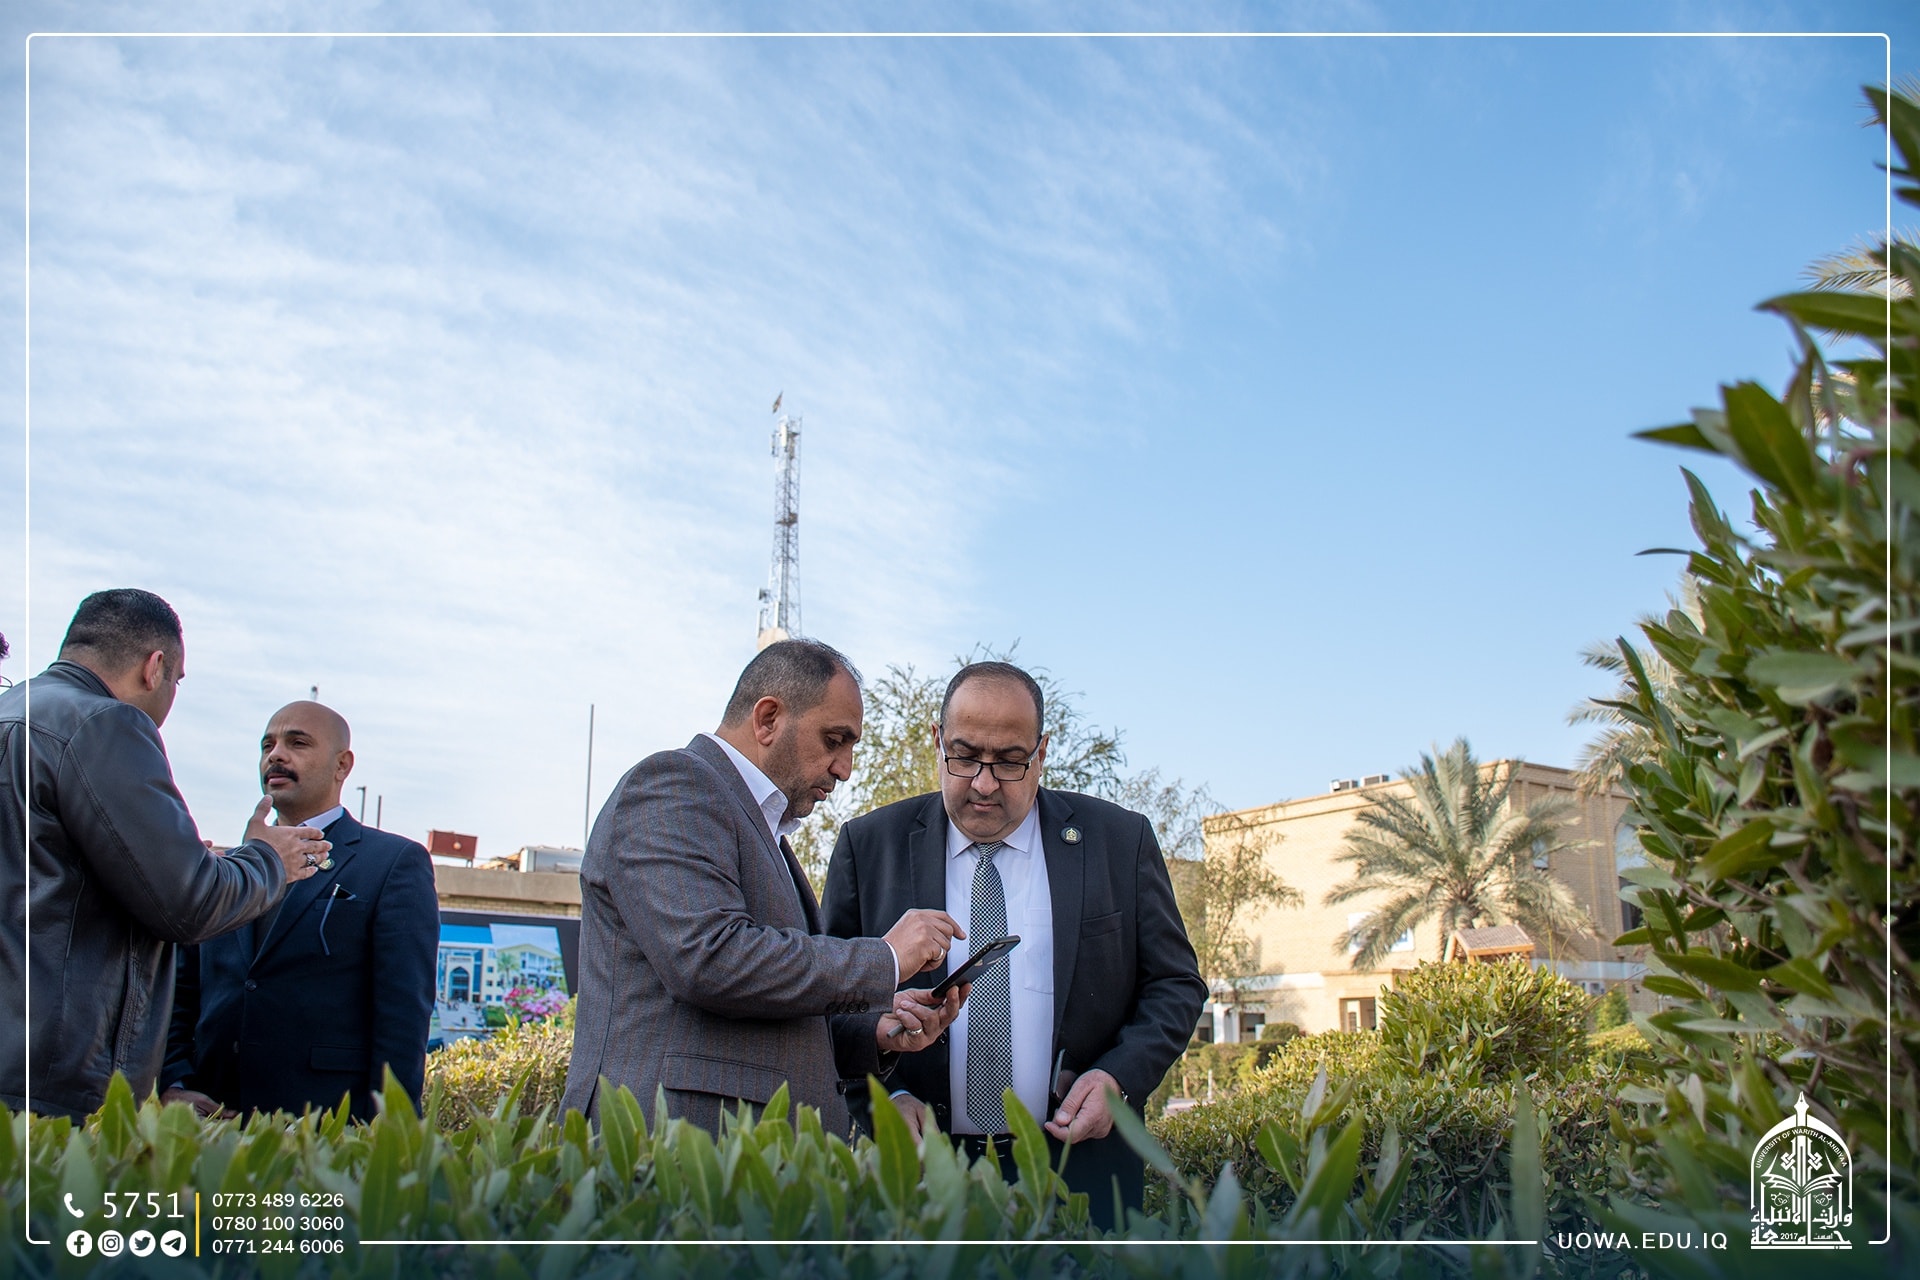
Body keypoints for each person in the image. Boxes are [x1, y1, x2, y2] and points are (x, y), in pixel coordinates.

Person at [823, 660, 1207, 1229]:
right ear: (937, 741)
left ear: (1042, 752)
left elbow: (1176, 985)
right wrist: (885, 1098)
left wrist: (1119, 1079)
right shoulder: (868, 846)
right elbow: (829, 1005)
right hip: (921, 1175)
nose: (983, 783)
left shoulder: (1119, 841)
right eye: (964, 756)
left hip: (1081, 1171)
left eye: (1008, 762)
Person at [561, 638, 967, 1136]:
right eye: (834, 740)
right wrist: (885, 959)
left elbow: (769, 1006)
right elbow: (710, 959)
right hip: (673, 1151)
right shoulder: (672, 784)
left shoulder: (758, 827)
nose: (845, 768)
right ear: (768, 718)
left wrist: (876, 1031)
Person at [0, 589, 329, 1119]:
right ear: (154, 668)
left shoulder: (13, 709)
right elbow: (187, 903)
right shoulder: (106, 723)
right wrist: (267, 859)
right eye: (178, 680)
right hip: (48, 1079)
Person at [161, 701, 438, 1121]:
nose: (276, 755)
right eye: (267, 745)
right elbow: (181, 993)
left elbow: (403, 1016)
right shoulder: (225, 871)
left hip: (323, 1126)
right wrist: (174, 1083)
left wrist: (388, 1128)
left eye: (298, 743)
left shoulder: (392, 863)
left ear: (342, 765)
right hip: (210, 1123)